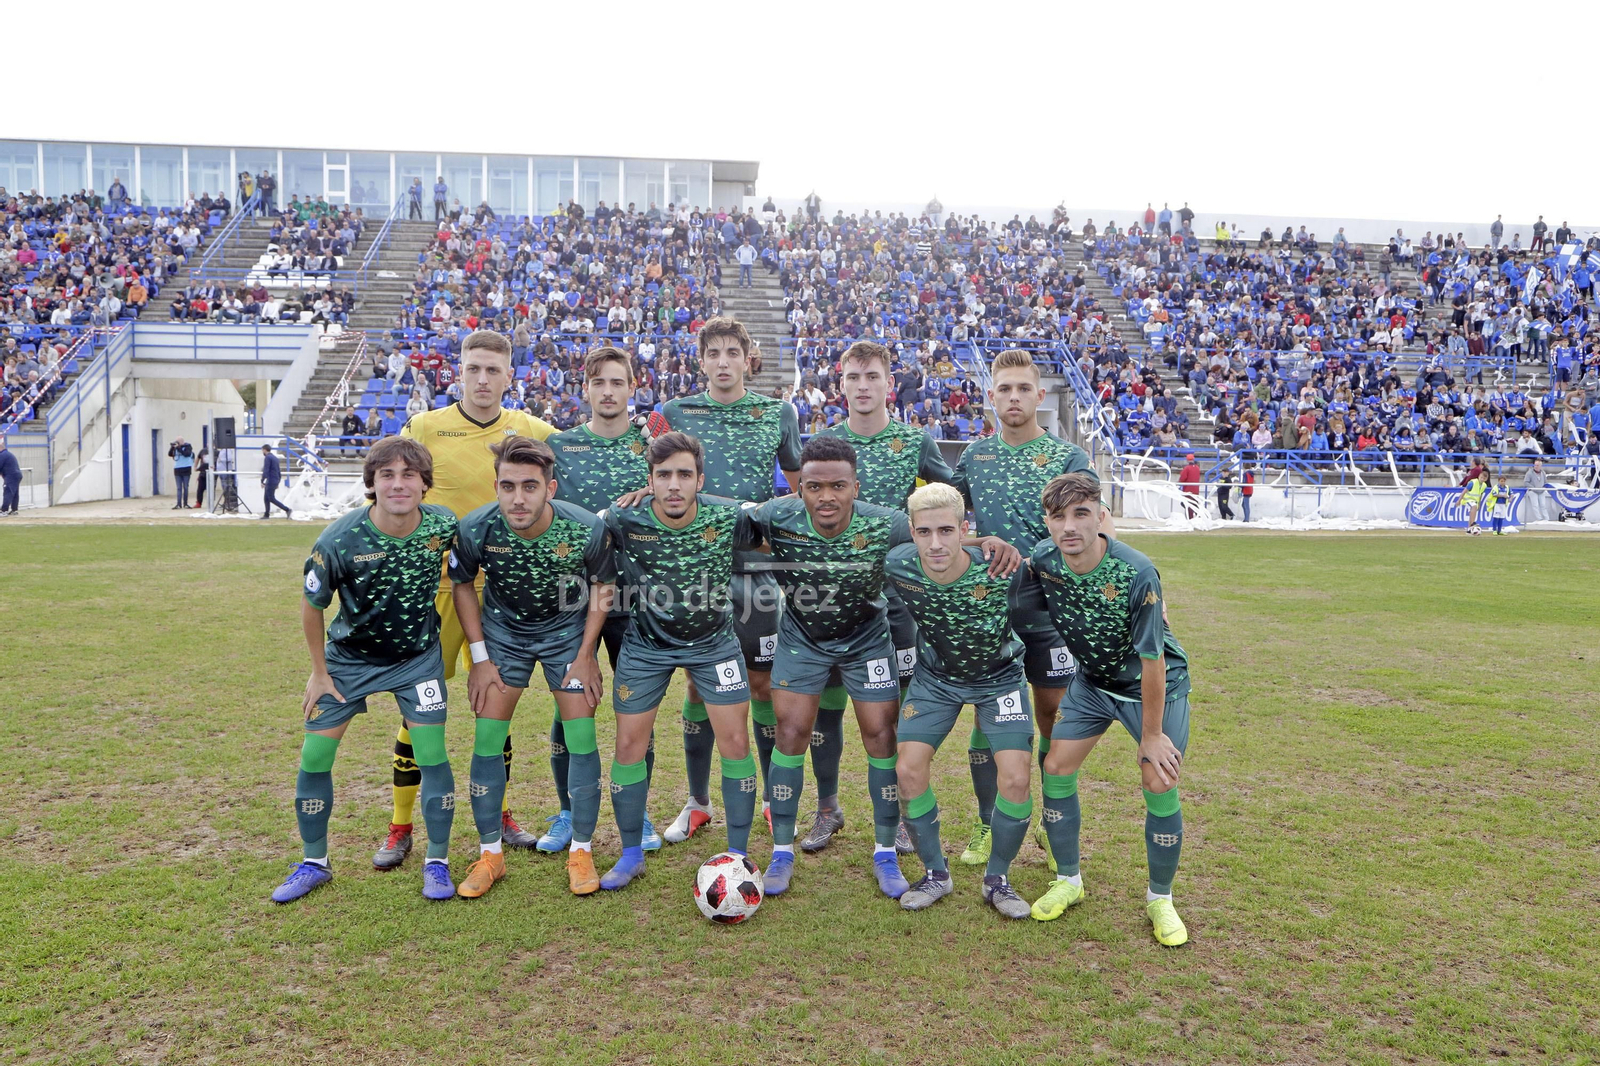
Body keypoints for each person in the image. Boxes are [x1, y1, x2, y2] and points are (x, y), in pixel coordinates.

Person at [749, 437, 1021, 901]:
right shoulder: (776, 516)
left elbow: (935, 538)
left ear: (856, 486)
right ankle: (780, 852)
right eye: (814, 486)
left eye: (838, 485)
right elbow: (717, 518)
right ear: (801, 489)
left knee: (881, 735)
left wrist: (984, 541)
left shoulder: (885, 522)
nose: (826, 496)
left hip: (866, 641)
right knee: (790, 731)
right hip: (801, 639)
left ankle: (884, 852)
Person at [380, 330, 555, 865]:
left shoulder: (533, 430)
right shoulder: (425, 427)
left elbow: (606, 444)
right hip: (433, 590)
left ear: (509, 375)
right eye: (473, 368)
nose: (483, 380)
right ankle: (400, 825)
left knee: (492, 711)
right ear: (458, 371)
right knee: (417, 711)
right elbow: (392, 487)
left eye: (493, 370)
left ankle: (496, 812)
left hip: (499, 595)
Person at [271, 437, 460, 903]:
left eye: (409, 475)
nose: (399, 484)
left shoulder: (443, 526)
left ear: (424, 483)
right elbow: (312, 605)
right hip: (348, 662)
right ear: (372, 483)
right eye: (387, 475)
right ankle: (314, 861)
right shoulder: (339, 538)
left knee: (433, 756)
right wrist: (319, 673)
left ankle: (437, 860)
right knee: (315, 758)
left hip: (417, 660)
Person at [1020, 473, 1192, 945]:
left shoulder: (1137, 571)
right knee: (1055, 765)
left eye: (1081, 514)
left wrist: (1152, 735)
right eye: (1058, 517)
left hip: (1153, 688)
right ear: (1048, 522)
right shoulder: (1044, 559)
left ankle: (1161, 899)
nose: (1069, 526)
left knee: (1158, 778)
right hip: (1093, 685)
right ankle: (1068, 881)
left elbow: (1153, 659)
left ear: (1101, 516)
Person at [647, 318, 801, 845]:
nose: (722, 361)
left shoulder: (777, 412)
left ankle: (763, 800)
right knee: (696, 682)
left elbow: (796, 494)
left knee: (760, 683)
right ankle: (697, 802)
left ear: (748, 356)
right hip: (691, 568)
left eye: (732, 351)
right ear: (701, 359)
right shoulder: (675, 413)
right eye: (713, 352)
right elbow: (656, 480)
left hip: (754, 570)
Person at [447, 436, 616, 898]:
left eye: (529, 486)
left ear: (551, 488)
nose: (517, 498)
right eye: (507, 486)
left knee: (581, 737)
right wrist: (480, 659)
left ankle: (580, 850)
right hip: (503, 636)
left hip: (567, 634)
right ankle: (490, 856)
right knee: (487, 739)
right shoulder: (477, 527)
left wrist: (586, 654)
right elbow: (462, 585)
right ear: (495, 487)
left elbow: (603, 585)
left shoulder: (583, 529)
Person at [951, 348, 1098, 864]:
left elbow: (1096, 528)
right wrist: (978, 542)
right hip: (990, 607)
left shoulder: (1066, 459)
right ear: (991, 398)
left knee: (1053, 713)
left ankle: (1052, 824)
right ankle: (987, 821)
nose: (1013, 397)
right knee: (987, 716)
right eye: (1004, 389)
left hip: (1052, 608)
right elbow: (950, 527)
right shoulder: (974, 456)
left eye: (1023, 389)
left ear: (1040, 395)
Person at [598, 432, 758, 889]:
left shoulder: (727, 515)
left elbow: (783, 522)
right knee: (629, 745)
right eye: (663, 475)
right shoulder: (623, 516)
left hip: (714, 646)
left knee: (735, 744)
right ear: (648, 481)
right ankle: (630, 854)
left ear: (699, 480)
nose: (673, 485)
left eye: (683, 475)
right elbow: (573, 529)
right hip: (646, 645)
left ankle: (739, 856)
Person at [812, 340, 954, 853]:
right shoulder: (823, 441)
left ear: (888, 382)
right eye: (854, 377)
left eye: (872, 375)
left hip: (897, 605)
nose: (863, 385)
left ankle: (894, 814)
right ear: (841, 383)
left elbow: (954, 497)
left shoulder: (914, 441)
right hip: (832, 601)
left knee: (891, 712)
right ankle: (827, 808)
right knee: (825, 709)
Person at [886, 483, 1038, 918]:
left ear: (963, 528)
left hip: (1000, 680)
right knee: (908, 768)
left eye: (947, 531)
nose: (935, 543)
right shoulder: (899, 564)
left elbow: (1057, 574)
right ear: (911, 533)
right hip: (935, 680)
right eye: (924, 532)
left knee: (1015, 777)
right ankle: (936, 874)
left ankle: (998, 880)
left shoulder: (1002, 567)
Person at [543, 347, 657, 853]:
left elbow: (683, 490)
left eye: (618, 382)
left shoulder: (653, 446)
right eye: (598, 382)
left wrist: (651, 488)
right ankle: (568, 810)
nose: (608, 391)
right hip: (575, 597)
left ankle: (640, 811)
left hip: (636, 594)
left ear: (633, 386)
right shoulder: (560, 446)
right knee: (571, 708)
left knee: (638, 709)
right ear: (585, 388)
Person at [260, 445, 292, 519]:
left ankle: (287, 509)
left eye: (262, 450)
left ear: (265, 450)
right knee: (266, 498)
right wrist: (278, 481)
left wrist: (263, 481)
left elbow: (266, 470)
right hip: (275, 479)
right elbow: (278, 471)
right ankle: (266, 514)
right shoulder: (275, 458)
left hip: (270, 480)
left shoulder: (267, 458)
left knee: (271, 498)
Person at [168, 436, 194, 509]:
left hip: (186, 468)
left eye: (178, 442)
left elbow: (187, 454)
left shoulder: (188, 446)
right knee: (179, 488)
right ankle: (178, 504)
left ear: (182, 442)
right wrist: (172, 447)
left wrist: (179, 448)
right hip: (177, 469)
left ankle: (185, 503)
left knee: (185, 487)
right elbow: (170, 454)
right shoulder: (176, 448)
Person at [1463, 469, 1490, 535]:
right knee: (1474, 507)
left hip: (1475, 501)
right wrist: (1458, 501)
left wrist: (1479, 504)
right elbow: (1464, 491)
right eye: (1481, 477)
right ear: (1479, 476)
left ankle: (1469, 530)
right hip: (1467, 499)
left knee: (1472, 512)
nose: (1482, 479)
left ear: (1486, 479)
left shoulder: (1484, 485)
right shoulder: (1472, 482)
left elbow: (1480, 495)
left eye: (1484, 478)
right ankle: (1472, 523)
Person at [0, 435, 22, 515]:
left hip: (11, 476)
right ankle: (14, 510)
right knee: (15, 492)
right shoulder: (8, 454)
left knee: (8, 492)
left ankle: (4, 510)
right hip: (17, 475)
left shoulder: (2, 455)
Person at [1177, 454, 1201, 519]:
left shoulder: (1187, 468)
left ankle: (1190, 518)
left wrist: (1179, 483)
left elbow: (1182, 478)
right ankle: (1199, 515)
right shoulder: (1197, 468)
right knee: (1194, 503)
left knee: (1187, 504)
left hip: (1188, 489)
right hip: (1196, 489)